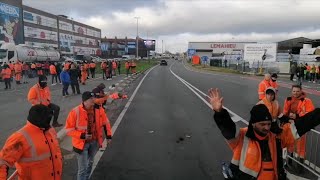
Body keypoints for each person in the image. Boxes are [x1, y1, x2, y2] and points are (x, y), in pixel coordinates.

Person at [209, 88, 320, 180]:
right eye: (262, 124)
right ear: (253, 124)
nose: (267, 128)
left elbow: (302, 125)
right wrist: (220, 113)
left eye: (268, 124)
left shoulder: (276, 137)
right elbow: (229, 130)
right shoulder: (242, 137)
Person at [0, 104, 62, 180]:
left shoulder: (50, 130)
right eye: (47, 119)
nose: (49, 122)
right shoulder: (20, 138)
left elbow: (56, 149)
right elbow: (3, 161)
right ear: (39, 120)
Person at [65, 91, 112, 180]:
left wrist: (108, 136)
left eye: (93, 98)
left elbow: (106, 122)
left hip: (94, 142)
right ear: (84, 101)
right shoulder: (75, 112)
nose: (93, 100)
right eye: (91, 99)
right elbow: (68, 130)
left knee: (90, 163)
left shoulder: (98, 109)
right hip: (81, 144)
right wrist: (82, 135)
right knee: (83, 168)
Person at [283, 84, 315, 166]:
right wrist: (284, 119)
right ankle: (289, 159)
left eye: (297, 91)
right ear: (291, 91)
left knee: (301, 145)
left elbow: (311, 114)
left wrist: (297, 116)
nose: (295, 93)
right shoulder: (288, 99)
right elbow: (285, 111)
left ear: (301, 91)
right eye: (294, 91)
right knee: (289, 143)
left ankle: (300, 164)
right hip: (290, 124)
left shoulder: (307, 101)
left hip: (301, 125)